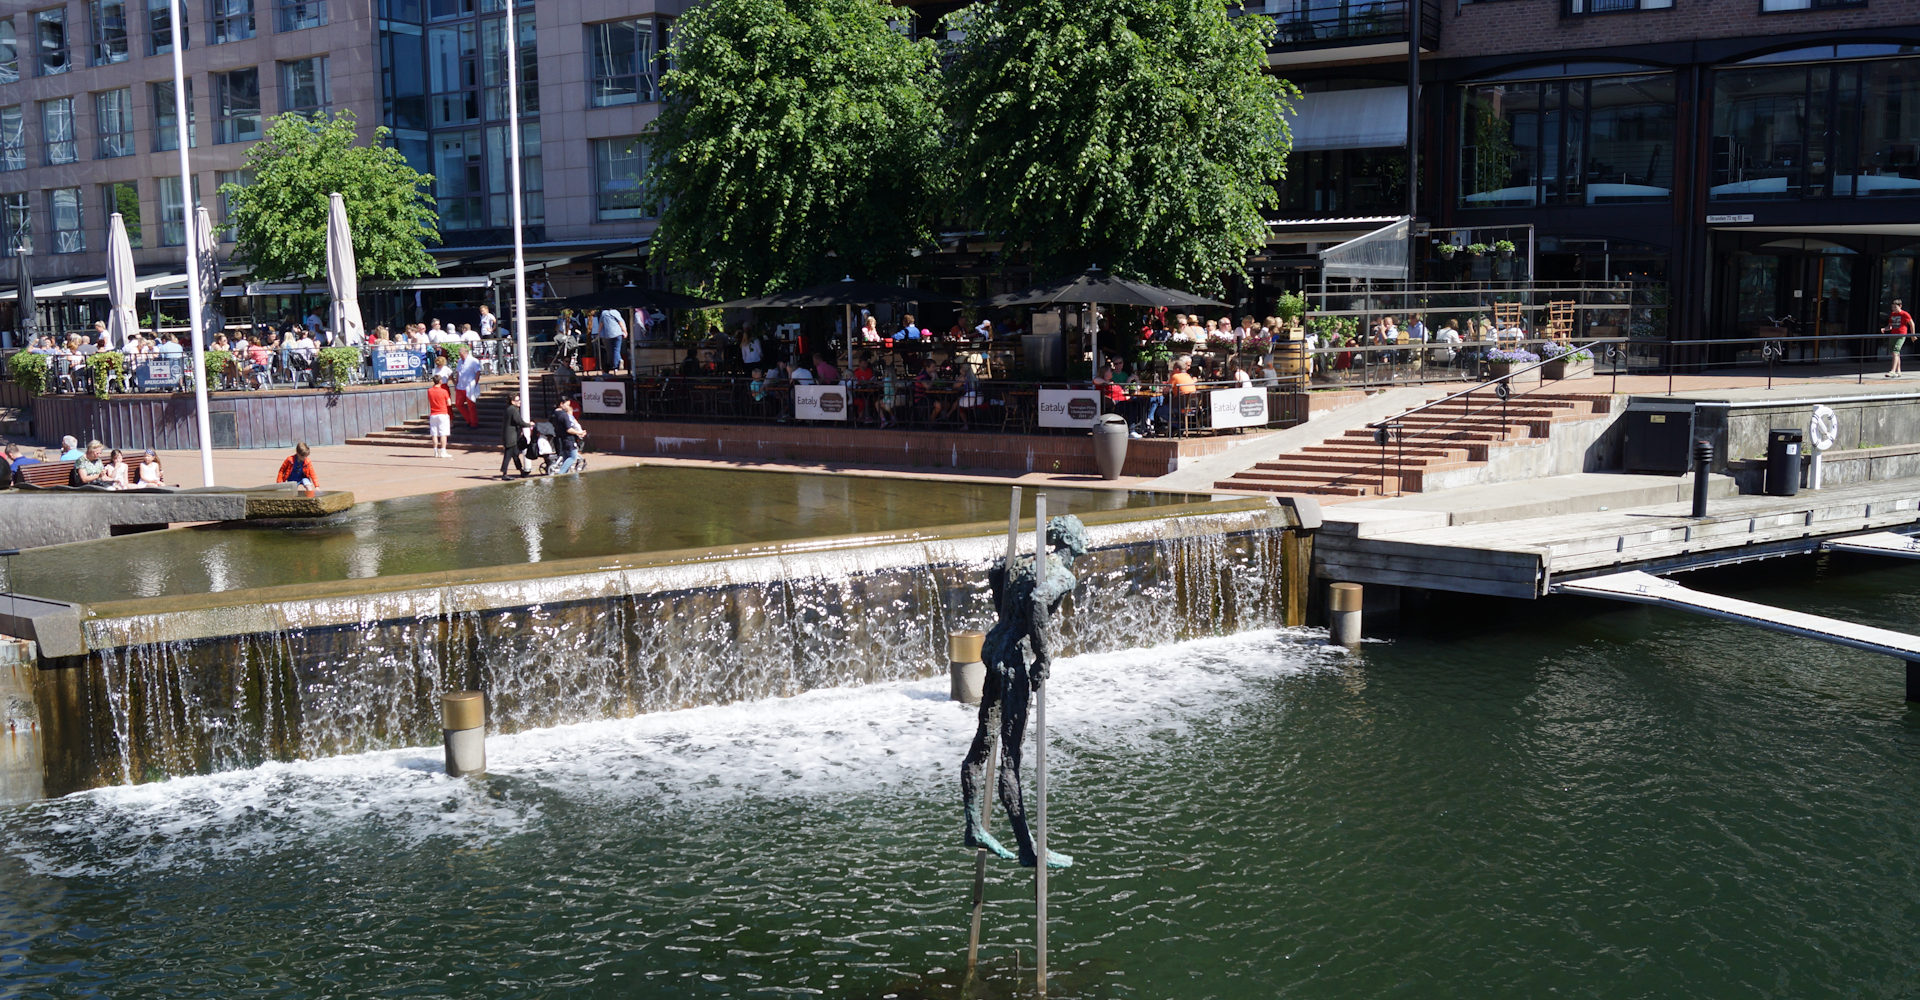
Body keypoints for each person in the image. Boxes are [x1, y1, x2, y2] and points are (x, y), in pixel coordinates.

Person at [961, 514, 1087, 869]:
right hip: (1014, 657)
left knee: (983, 743)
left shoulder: (1026, 562)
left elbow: (998, 571)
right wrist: (1043, 657)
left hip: (994, 646)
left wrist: (1004, 614)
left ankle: (973, 825)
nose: (1087, 541)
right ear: (1071, 542)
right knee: (1010, 759)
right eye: (1082, 535)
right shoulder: (1061, 574)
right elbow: (1037, 601)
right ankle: (1027, 849)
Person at [500, 392, 533, 479]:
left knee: (515, 454)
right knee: (508, 455)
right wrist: (529, 424)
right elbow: (519, 421)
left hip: (510, 436)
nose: (520, 402)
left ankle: (521, 471)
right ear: (512, 401)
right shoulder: (513, 410)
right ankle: (504, 474)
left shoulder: (509, 409)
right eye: (517, 400)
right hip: (511, 437)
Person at [550, 397, 586, 474]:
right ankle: (561, 474)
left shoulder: (554, 414)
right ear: (561, 404)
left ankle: (564, 477)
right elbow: (569, 429)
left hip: (561, 439)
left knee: (566, 458)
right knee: (573, 457)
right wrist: (579, 432)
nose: (568, 407)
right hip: (569, 439)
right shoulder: (564, 415)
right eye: (567, 405)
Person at [594, 305, 628, 374]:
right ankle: (617, 364)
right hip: (618, 333)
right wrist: (625, 331)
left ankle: (613, 364)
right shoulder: (616, 312)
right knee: (616, 349)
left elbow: (601, 324)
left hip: (607, 335)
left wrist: (598, 333)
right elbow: (620, 322)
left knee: (610, 351)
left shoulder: (603, 313)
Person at [455, 346, 483, 427]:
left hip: (469, 386)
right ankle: (469, 419)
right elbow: (458, 373)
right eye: (460, 355)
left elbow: (478, 372)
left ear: (466, 353)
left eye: (462, 354)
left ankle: (473, 423)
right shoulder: (460, 361)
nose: (461, 356)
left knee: (471, 406)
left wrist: (475, 384)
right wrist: (456, 383)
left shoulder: (474, 361)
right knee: (458, 404)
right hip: (460, 386)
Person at [1884, 299, 1913, 377]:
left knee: (1895, 352)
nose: (1893, 309)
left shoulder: (1905, 314)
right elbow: (1890, 326)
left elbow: (1911, 324)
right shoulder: (1892, 314)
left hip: (1901, 335)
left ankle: (1893, 371)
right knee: (1896, 353)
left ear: (1900, 306)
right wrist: (1884, 329)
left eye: (1895, 307)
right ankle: (1899, 371)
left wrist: (1912, 335)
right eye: (1892, 307)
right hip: (1893, 335)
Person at [427, 375, 453, 458]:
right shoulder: (444, 391)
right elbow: (449, 403)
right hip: (442, 413)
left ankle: (435, 451)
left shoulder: (429, 391)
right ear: (440, 381)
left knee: (434, 433)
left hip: (433, 414)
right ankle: (443, 451)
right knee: (443, 433)